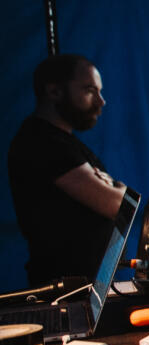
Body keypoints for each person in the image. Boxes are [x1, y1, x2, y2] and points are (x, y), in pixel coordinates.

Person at [7, 54, 127, 286]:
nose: (101, 101)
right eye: (90, 90)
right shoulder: (41, 142)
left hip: (88, 288)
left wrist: (116, 190)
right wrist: (118, 188)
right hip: (66, 293)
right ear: (54, 92)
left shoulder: (66, 143)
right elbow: (117, 205)